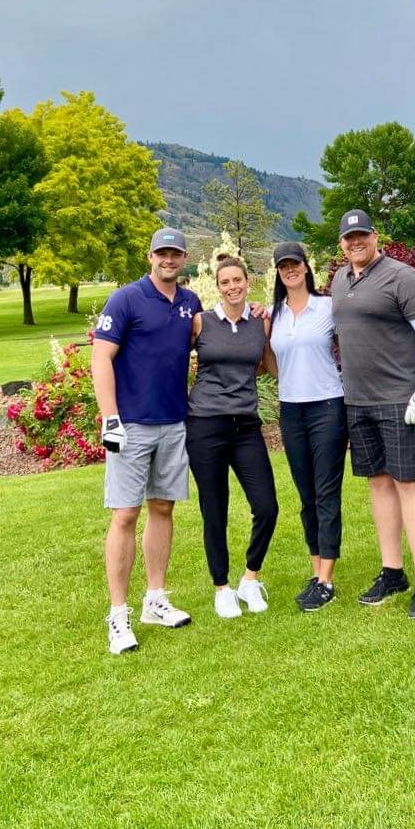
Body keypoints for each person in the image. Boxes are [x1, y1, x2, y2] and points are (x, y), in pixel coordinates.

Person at [90, 226, 201, 654]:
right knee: (124, 515)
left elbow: (202, 338)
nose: (168, 260)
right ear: (150, 256)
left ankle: (155, 599)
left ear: (184, 258)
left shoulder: (190, 302)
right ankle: (118, 616)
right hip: (131, 424)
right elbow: (101, 356)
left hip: (174, 422)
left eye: (175, 254)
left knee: (163, 508)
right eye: (162, 254)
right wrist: (110, 417)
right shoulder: (126, 299)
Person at [328, 210, 415, 619]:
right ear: (341, 243)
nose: (355, 242)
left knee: (409, 483)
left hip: (400, 398)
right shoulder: (340, 280)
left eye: (362, 235)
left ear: (375, 236)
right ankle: (392, 571)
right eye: (348, 237)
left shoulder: (402, 277)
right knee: (378, 484)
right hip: (357, 400)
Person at [187, 254, 279, 618]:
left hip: (245, 426)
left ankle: (250, 578)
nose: (232, 287)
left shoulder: (261, 323)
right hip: (205, 424)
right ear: (218, 286)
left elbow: (271, 367)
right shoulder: (201, 323)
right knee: (215, 509)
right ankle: (221, 587)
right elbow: (178, 364)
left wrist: (271, 341)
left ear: (247, 282)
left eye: (237, 280)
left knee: (267, 506)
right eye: (225, 282)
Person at [265, 239, 348, 611]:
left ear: (305, 266)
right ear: (278, 273)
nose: (290, 270)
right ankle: (316, 571)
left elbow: (355, 340)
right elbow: (270, 363)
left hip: (327, 406)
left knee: (327, 493)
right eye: (283, 266)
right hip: (291, 410)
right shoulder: (274, 314)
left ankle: (327, 580)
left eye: (294, 263)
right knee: (306, 495)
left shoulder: (327, 306)